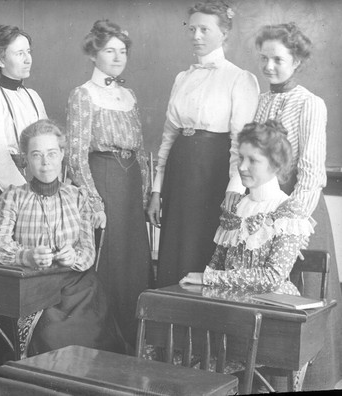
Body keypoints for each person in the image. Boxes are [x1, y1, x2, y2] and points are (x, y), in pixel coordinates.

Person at [245, 22, 341, 391]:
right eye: (264, 58)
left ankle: (314, 381)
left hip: (301, 213)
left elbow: (313, 172)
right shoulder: (263, 100)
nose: (269, 66)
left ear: (297, 60)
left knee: (303, 298)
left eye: (278, 59)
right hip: (265, 208)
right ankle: (267, 378)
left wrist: (286, 224)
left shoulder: (311, 103)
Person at [0, 119, 124, 357]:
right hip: (32, 290)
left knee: (89, 335)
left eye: (51, 154)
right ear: (26, 159)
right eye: (37, 155)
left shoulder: (78, 197)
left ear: (61, 155)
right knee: (51, 334)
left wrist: (74, 256)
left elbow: (88, 250)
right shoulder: (12, 197)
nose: (45, 162)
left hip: (78, 289)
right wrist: (25, 255)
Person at [146, 1, 259, 287]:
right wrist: (157, 190)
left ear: (224, 33)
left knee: (202, 251)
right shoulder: (182, 78)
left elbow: (241, 141)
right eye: (192, 29)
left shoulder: (239, 79)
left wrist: (235, 187)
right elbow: (168, 138)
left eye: (204, 29)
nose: (196, 36)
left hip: (212, 175)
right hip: (178, 173)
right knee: (174, 250)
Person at [66, 19, 151, 349]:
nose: (118, 57)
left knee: (133, 262)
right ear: (93, 53)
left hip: (130, 188)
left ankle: (134, 340)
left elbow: (141, 151)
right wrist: (95, 201)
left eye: (123, 51)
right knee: (110, 260)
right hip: (103, 182)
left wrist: (143, 196)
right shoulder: (83, 95)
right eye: (109, 50)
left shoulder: (128, 95)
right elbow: (75, 156)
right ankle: (106, 342)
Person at [180, 120, 313, 295]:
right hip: (233, 302)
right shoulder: (237, 207)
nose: (242, 167)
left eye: (253, 160)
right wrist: (202, 281)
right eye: (241, 158)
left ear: (275, 165)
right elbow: (216, 265)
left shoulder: (288, 210)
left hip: (273, 305)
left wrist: (208, 278)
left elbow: (272, 278)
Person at [0, 24, 47, 261]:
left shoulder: (33, 97)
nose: (28, 59)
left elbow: (46, 143)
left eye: (29, 52)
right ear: (0, 59)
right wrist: (28, 198)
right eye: (19, 53)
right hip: (6, 194)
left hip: (38, 188)